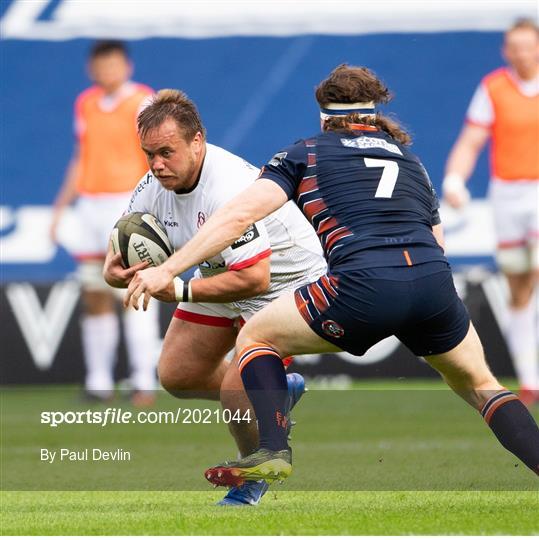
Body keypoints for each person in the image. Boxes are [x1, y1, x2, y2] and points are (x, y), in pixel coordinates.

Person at [125, 65, 539, 485]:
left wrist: (171, 272)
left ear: (324, 115)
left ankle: (273, 450)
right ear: (374, 116)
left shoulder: (305, 153)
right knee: (483, 385)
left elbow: (238, 215)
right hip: (433, 285)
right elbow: (437, 241)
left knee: (255, 338)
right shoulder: (411, 162)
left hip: (363, 284)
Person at [103, 89, 327, 504]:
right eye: (148, 153)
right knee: (177, 374)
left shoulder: (227, 188)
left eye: (166, 152)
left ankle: (252, 475)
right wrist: (112, 271)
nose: (156, 164)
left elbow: (255, 278)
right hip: (221, 271)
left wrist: (179, 288)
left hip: (284, 284)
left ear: (197, 141)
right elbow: (122, 248)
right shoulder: (152, 184)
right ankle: (276, 394)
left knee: (234, 398)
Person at [50, 41, 159, 406]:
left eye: (113, 63)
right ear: (91, 69)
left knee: (134, 293)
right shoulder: (86, 103)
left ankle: (143, 379)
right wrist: (60, 209)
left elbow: (155, 155)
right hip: (89, 206)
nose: (106, 71)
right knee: (94, 294)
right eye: (100, 65)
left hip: (127, 202)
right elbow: (81, 156)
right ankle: (98, 380)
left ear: (126, 66)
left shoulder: (143, 101)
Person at [443, 19, 539, 406]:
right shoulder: (494, 88)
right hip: (507, 196)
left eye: (529, 46)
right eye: (515, 47)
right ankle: (530, 379)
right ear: (506, 51)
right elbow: (471, 140)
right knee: (519, 289)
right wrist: (454, 179)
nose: (522, 53)